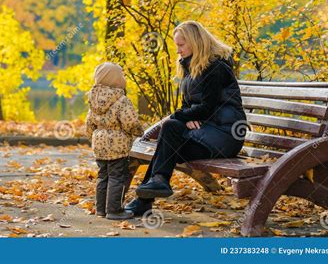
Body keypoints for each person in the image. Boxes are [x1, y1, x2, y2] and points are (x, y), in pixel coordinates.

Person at [125, 21, 247, 216]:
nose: (178, 51)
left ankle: (147, 197)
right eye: (177, 46)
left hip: (225, 137)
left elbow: (207, 108)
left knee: (170, 129)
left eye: (181, 45)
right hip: (204, 134)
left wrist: (180, 117)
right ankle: (156, 185)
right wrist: (186, 117)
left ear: (195, 42)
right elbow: (189, 107)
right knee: (168, 140)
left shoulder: (216, 68)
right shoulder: (191, 68)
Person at [86, 62, 144, 220]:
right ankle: (114, 210)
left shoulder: (94, 99)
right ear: (116, 79)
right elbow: (130, 122)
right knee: (117, 177)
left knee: (102, 176)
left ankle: (101, 210)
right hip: (117, 145)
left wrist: (93, 135)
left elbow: (89, 123)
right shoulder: (121, 99)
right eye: (122, 76)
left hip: (99, 145)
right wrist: (139, 132)